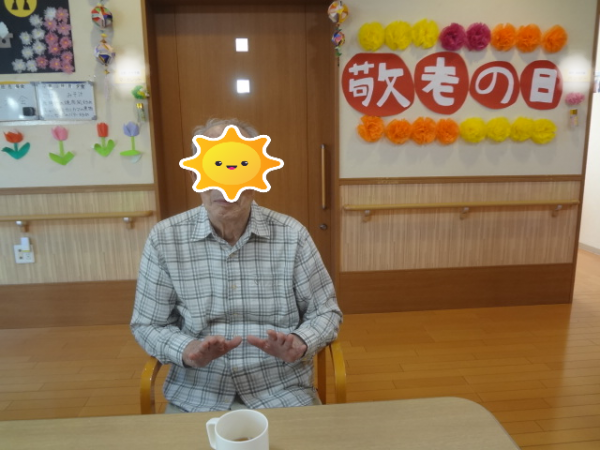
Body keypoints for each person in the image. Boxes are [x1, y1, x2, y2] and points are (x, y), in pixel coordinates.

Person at [131, 118, 342, 413]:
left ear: (258, 174)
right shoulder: (165, 238)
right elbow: (148, 323)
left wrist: (300, 342)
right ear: (194, 173)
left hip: (281, 391)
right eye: (214, 167)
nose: (225, 186)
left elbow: (325, 311)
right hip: (197, 394)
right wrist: (186, 349)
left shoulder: (292, 235)